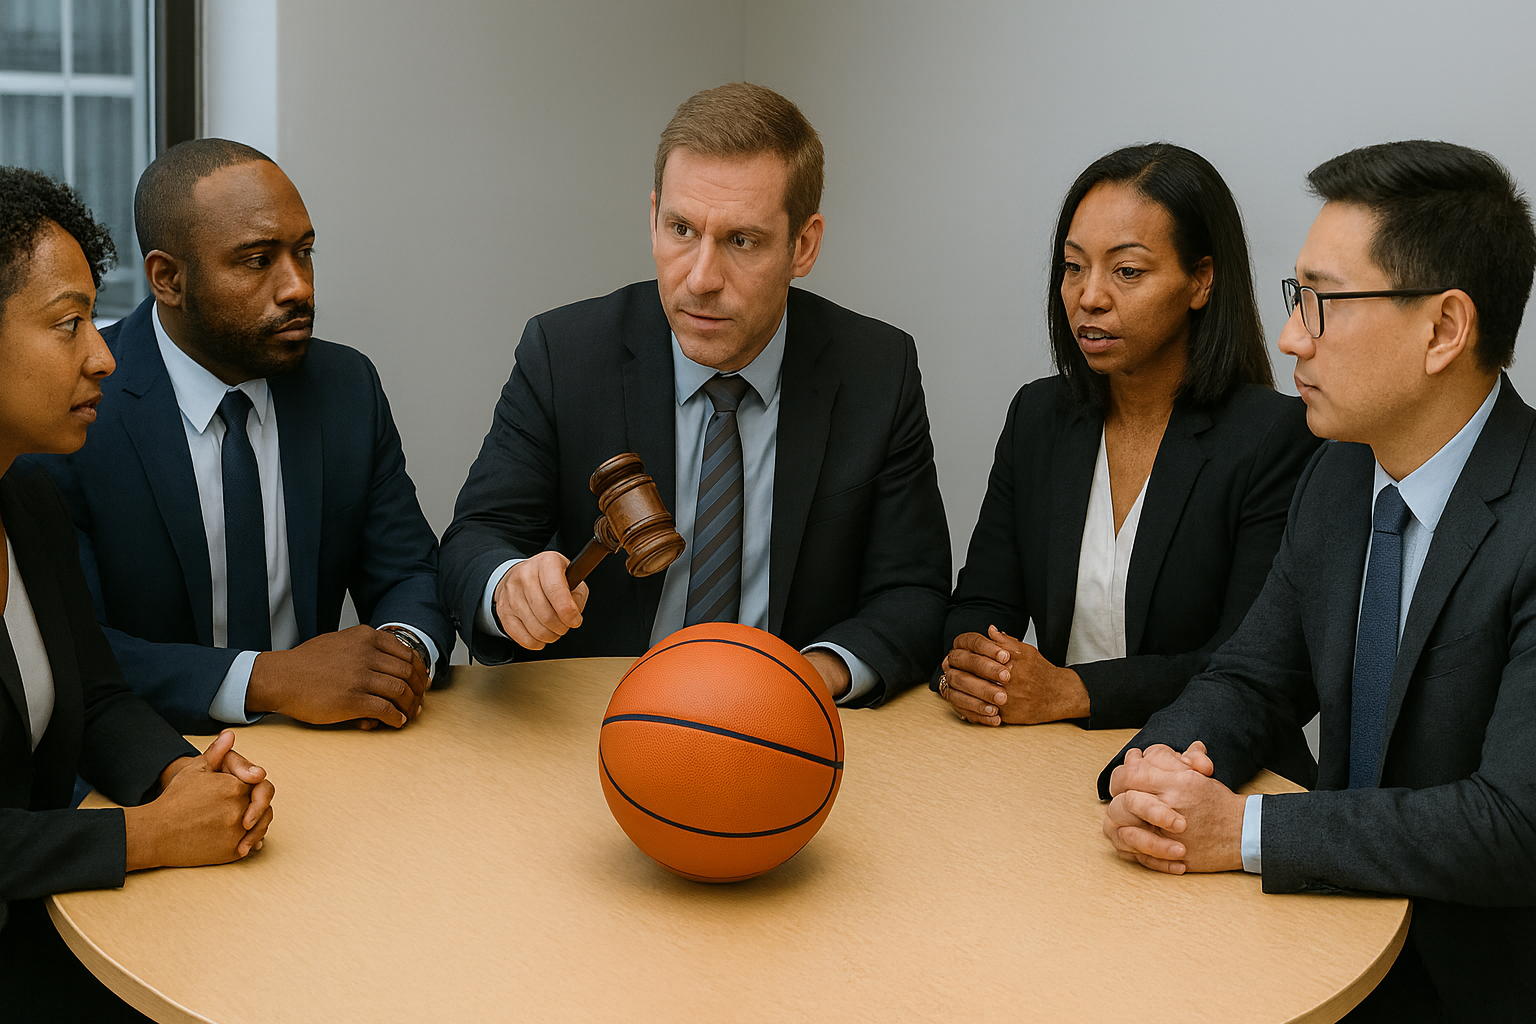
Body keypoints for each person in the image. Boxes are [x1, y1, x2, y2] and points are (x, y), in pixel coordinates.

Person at [1099, 140, 1536, 1021]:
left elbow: (1513, 828)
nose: (1291, 336)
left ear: (1444, 329)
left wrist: (1242, 831)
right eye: (1296, 297)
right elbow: (1253, 677)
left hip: (1482, 984)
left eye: (1323, 302)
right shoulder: (1338, 471)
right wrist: (1154, 772)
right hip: (1322, 939)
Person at [439, 82, 950, 706]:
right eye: (681, 229)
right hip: (596, 717)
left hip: (782, 725)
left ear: (804, 245)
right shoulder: (563, 354)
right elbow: (475, 539)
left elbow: (913, 592)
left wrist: (807, 678)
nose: (702, 279)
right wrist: (507, 588)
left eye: (742, 241)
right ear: (653, 217)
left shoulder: (878, 370)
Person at [29, 139, 452, 734]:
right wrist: (270, 680)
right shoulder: (78, 408)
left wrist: (396, 659)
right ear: (168, 279)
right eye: (257, 261)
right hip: (156, 753)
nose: (297, 287)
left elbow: (410, 572)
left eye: (304, 253)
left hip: (332, 742)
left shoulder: (345, 386)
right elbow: (76, 648)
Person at [937, 145, 1319, 777]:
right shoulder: (1038, 416)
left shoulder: (1274, 435)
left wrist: (1072, 691)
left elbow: (1246, 666)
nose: (1089, 297)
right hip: (1053, 760)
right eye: (1072, 267)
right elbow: (980, 604)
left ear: (1201, 280)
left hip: (1212, 773)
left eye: (1127, 271)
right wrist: (979, 667)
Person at [0, 166, 275, 1022]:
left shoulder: (29, 497)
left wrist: (187, 775)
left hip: (41, 933)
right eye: (68, 325)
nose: (103, 355)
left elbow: (98, 695)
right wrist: (149, 834)